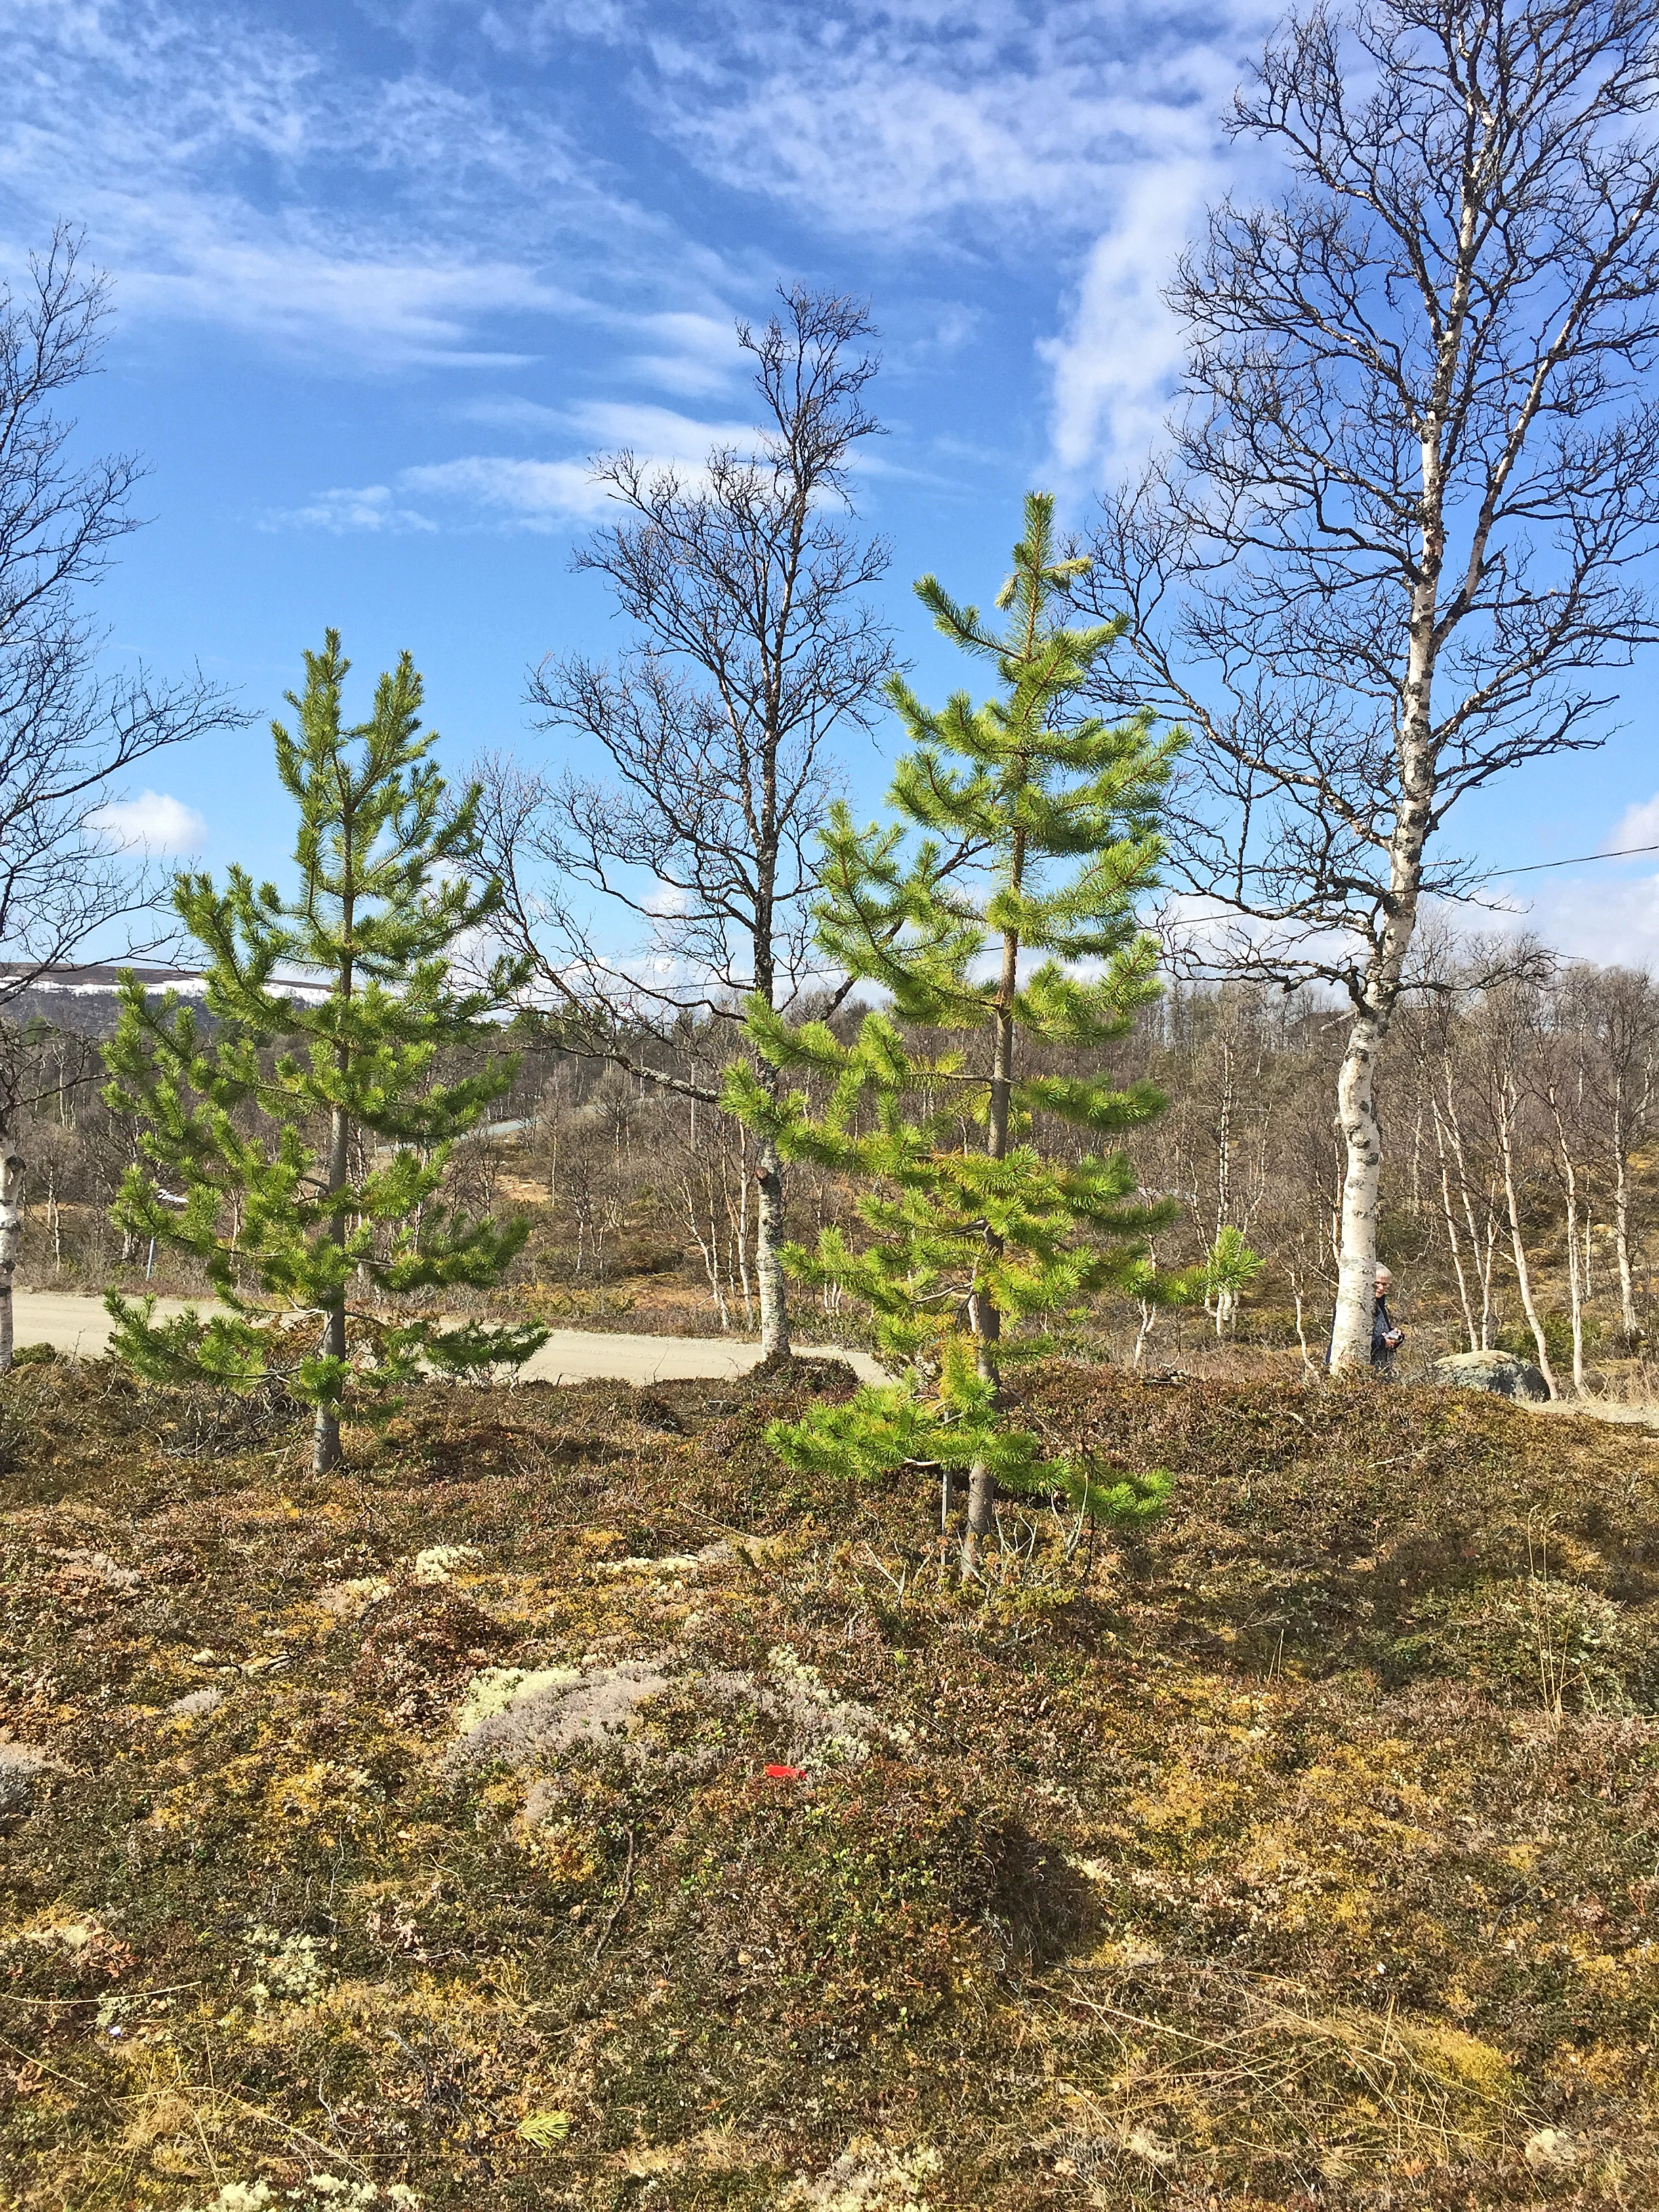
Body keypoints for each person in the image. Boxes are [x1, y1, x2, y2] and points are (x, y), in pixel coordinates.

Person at [1372, 1265, 1404, 1374]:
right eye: (1377, 1283)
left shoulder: (1380, 1304)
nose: (1381, 1288)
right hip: (1363, 1367)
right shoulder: (1355, 1307)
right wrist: (1381, 1342)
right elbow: (1354, 1341)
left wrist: (1395, 1336)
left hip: (1382, 1367)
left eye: (1385, 1284)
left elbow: (1383, 1331)